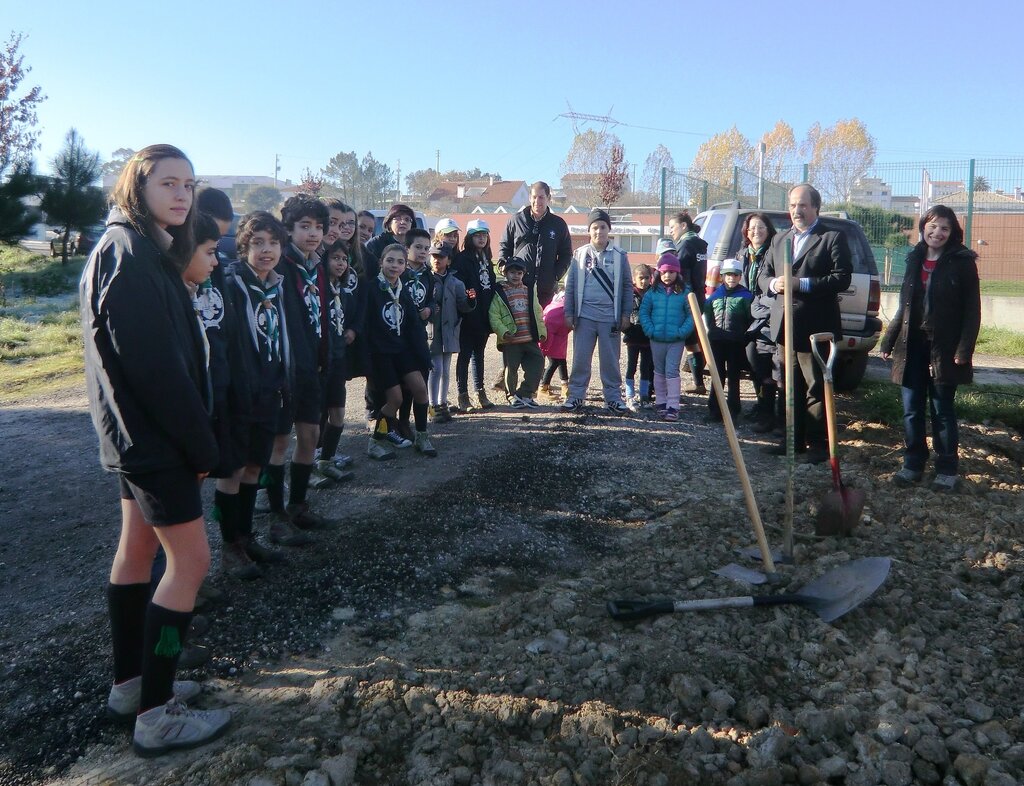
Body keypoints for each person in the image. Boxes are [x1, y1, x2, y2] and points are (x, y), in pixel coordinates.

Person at [80, 144, 230, 756]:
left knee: (137, 554)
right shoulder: (131, 256)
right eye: (168, 183)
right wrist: (201, 446)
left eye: (188, 184)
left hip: (136, 437)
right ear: (137, 187)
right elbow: (156, 371)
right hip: (157, 442)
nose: (181, 195)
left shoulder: (137, 248)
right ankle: (157, 712)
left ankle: (131, 685)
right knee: (189, 566)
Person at [880, 205, 980, 491]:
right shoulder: (914, 258)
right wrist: (889, 339)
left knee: (941, 409)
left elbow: (972, 310)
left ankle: (946, 469)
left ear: (952, 233)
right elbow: (904, 304)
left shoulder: (962, 262)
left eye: (944, 228)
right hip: (911, 345)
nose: (937, 233)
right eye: (933, 226)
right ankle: (913, 463)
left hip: (944, 348)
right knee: (911, 409)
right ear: (923, 227)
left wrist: (964, 349)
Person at [219, 211, 293, 577]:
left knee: (254, 466)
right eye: (258, 243)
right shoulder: (231, 285)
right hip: (240, 393)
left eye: (273, 243)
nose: (267, 250)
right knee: (233, 469)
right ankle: (229, 547)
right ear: (243, 247)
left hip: (269, 390)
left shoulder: (276, 286)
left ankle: (246, 538)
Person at [758, 184, 852, 463]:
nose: (796, 211)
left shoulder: (832, 237)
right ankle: (792, 441)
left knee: (815, 386)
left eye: (802, 205)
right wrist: (774, 284)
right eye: (792, 205)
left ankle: (818, 445)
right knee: (789, 385)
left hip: (816, 327)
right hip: (786, 327)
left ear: (815, 207)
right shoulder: (779, 240)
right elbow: (763, 276)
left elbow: (842, 278)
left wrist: (802, 284)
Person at [264, 194, 332, 542]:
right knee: (279, 443)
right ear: (288, 229)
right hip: (284, 369)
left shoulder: (316, 266)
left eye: (318, 227)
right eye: (305, 226)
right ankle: (276, 518)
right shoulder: (279, 266)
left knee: (310, 436)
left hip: (310, 367)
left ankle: (298, 507)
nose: (313, 233)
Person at [364, 243, 437, 456]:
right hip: (381, 353)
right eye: (390, 260)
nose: (394, 266)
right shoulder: (371, 289)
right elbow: (364, 325)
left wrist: (423, 355)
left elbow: (413, 324)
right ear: (381, 262)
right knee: (395, 399)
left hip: (402, 349)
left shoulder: (402, 289)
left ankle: (422, 436)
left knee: (420, 389)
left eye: (400, 262)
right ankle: (375, 441)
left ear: (405, 266)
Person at [562, 209, 633, 413]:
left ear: (609, 229)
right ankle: (576, 396)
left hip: (610, 318)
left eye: (603, 227)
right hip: (584, 317)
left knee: (610, 361)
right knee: (580, 360)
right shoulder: (580, 255)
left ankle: (613, 398)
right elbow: (570, 285)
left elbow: (627, 286)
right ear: (589, 230)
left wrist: (625, 314)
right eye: (594, 227)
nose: (599, 231)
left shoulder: (620, 256)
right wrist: (569, 312)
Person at [314, 238, 358, 487]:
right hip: (320, 360)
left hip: (339, 357)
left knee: (338, 413)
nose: (340, 263)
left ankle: (327, 460)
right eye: (335, 258)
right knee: (315, 417)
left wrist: (352, 330)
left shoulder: (343, 290)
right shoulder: (317, 289)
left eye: (344, 259)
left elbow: (351, 317)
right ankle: (310, 463)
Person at [498, 181, 572, 308]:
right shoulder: (515, 220)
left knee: (544, 321)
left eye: (541, 197)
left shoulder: (558, 224)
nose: (537, 201)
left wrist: (555, 275)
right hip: (518, 288)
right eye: (534, 197)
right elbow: (505, 246)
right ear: (529, 198)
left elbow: (566, 254)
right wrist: (503, 265)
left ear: (548, 198)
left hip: (546, 291)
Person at [639, 252, 693, 422]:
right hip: (656, 339)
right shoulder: (652, 293)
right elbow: (644, 313)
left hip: (675, 340)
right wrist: (650, 330)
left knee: (672, 371)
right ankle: (661, 402)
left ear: (677, 273)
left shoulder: (685, 293)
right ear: (658, 273)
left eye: (671, 272)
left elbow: (692, 315)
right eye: (663, 272)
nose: (667, 275)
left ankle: (673, 405)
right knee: (659, 371)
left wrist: (681, 332)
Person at [739, 212, 780, 433]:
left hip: (767, 316)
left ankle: (769, 413)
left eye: (761, 227)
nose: (756, 231)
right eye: (752, 228)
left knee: (766, 366)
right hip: (748, 316)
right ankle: (761, 404)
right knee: (753, 361)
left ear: (769, 230)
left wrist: (760, 307)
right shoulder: (743, 254)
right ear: (746, 231)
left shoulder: (773, 253)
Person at [488, 258, 546, 407]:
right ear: (505, 273)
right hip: (511, 340)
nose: (516, 276)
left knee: (538, 362)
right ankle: (512, 395)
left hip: (529, 337)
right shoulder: (500, 292)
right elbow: (494, 315)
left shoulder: (528, 290)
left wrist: (541, 331)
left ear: (523, 274)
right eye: (512, 272)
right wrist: (503, 331)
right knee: (511, 369)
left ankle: (525, 393)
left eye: (519, 273)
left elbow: (537, 311)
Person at [427, 244, 476, 422]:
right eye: (433, 256)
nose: (436, 260)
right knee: (436, 368)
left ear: (448, 260)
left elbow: (463, 306)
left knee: (445, 370)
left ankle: (442, 403)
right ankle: (432, 405)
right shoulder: (426, 279)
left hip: (449, 330)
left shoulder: (456, 282)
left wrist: (471, 300)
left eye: (441, 257)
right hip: (432, 330)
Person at [452, 218, 497, 411]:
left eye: (484, 235)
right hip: (469, 314)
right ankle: (462, 395)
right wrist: (469, 302)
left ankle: (480, 391)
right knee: (465, 355)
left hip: (484, 314)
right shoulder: (462, 259)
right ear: (469, 237)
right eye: (477, 235)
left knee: (479, 354)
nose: (481, 238)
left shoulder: (487, 258)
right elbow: (461, 288)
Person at [703, 259, 753, 422]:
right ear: (722, 277)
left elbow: (749, 318)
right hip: (717, 340)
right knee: (716, 375)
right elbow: (708, 316)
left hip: (736, 342)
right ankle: (714, 410)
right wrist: (712, 332)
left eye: (735, 275)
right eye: (728, 275)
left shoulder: (746, 296)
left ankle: (733, 411)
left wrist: (744, 336)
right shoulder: (714, 296)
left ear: (740, 277)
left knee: (733, 376)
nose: (731, 278)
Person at [669, 211, 709, 396]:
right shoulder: (700, 244)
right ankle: (698, 382)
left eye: (672, 227)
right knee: (693, 341)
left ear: (684, 225)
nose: (671, 231)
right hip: (699, 297)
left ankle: (671, 383)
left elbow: (681, 275)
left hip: (686, 301)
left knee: (681, 341)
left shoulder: (685, 245)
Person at [623, 263, 655, 410]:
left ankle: (644, 396)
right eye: (641, 278)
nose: (644, 281)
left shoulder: (653, 294)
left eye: (647, 278)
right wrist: (627, 330)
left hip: (648, 337)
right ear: (634, 279)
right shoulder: (629, 294)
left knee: (646, 367)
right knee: (631, 366)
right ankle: (629, 395)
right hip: (633, 337)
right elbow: (625, 314)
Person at [364, 203, 416, 280]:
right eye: (398, 218)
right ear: (389, 223)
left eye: (407, 219)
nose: (403, 222)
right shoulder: (376, 243)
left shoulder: (415, 245)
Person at [539, 289, 570, 403]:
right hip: (553, 330)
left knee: (561, 359)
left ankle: (564, 386)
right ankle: (543, 387)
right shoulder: (569, 297)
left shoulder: (562, 295)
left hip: (557, 330)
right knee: (554, 361)